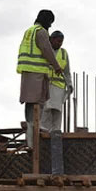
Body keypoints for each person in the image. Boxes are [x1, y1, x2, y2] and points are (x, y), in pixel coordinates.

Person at [17, 10, 63, 148]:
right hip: (36, 74)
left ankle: (31, 137)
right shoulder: (41, 32)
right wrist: (56, 66)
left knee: (30, 105)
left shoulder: (29, 31)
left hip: (28, 73)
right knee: (37, 104)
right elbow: (46, 49)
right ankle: (33, 139)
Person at [41, 31, 73, 132]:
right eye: (58, 41)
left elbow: (67, 71)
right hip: (47, 84)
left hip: (59, 87)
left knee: (57, 111)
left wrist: (70, 84)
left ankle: (56, 131)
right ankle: (45, 130)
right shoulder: (45, 51)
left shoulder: (64, 53)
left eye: (61, 42)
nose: (60, 44)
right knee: (47, 109)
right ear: (52, 39)